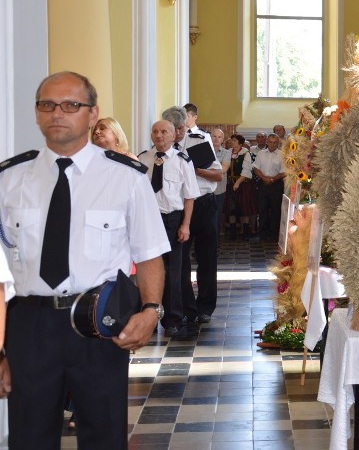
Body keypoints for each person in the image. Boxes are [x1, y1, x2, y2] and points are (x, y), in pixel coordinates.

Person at [0, 71, 169, 449]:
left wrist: (151, 311)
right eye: (48, 104)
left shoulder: (126, 178)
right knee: (29, 437)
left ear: (92, 114)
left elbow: (150, 254)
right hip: (29, 326)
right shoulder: (9, 180)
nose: (58, 113)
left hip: (98, 325)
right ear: (37, 113)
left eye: (71, 105)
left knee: (104, 436)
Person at [138, 120, 200, 336]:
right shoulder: (143, 158)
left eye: (164, 132)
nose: (159, 135)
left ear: (174, 135)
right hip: (148, 220)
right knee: (147, 268)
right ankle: (149, 316)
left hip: (172, 220)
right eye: (155, 131)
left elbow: (189, 196)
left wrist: (185, 225)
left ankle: (172, 319)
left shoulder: (182, 161)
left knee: (173, 271)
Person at [162, 106, 223, 324]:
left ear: (184, 126)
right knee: (180, 262)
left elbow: (217, 175)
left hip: (204, 204)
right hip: (179, 209)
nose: (176, 133)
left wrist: (191, 169)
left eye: (178, 128)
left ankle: (205, 307)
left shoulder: (198, 140)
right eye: (172, 129)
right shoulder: (162, 149)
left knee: (206, 258)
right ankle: (187, 307)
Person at [234, 133, 284, 241]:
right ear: (267, 142)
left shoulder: (282, 154)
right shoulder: (261, 153)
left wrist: (272, 179)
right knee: (262, 210)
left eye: (275, 142)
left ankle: (274, 235)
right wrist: (264, 178)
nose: (272, 144)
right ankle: (262, 234)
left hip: (276, 185)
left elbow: (284, 171)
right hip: (263, 184)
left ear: (278, 143)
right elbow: (256, 168)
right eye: (270, 142)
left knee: (276, 211)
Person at [211, 128, 231, 233]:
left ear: (222, 139)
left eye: (219, 137)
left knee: (217, 216)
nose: (216, 139)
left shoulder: (226, 153)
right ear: (210, 137)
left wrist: (206, 171)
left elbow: (223, 170)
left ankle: (215, 241)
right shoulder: (204, 150)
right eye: (214, 136)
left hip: (219, 190)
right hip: (204, 190)